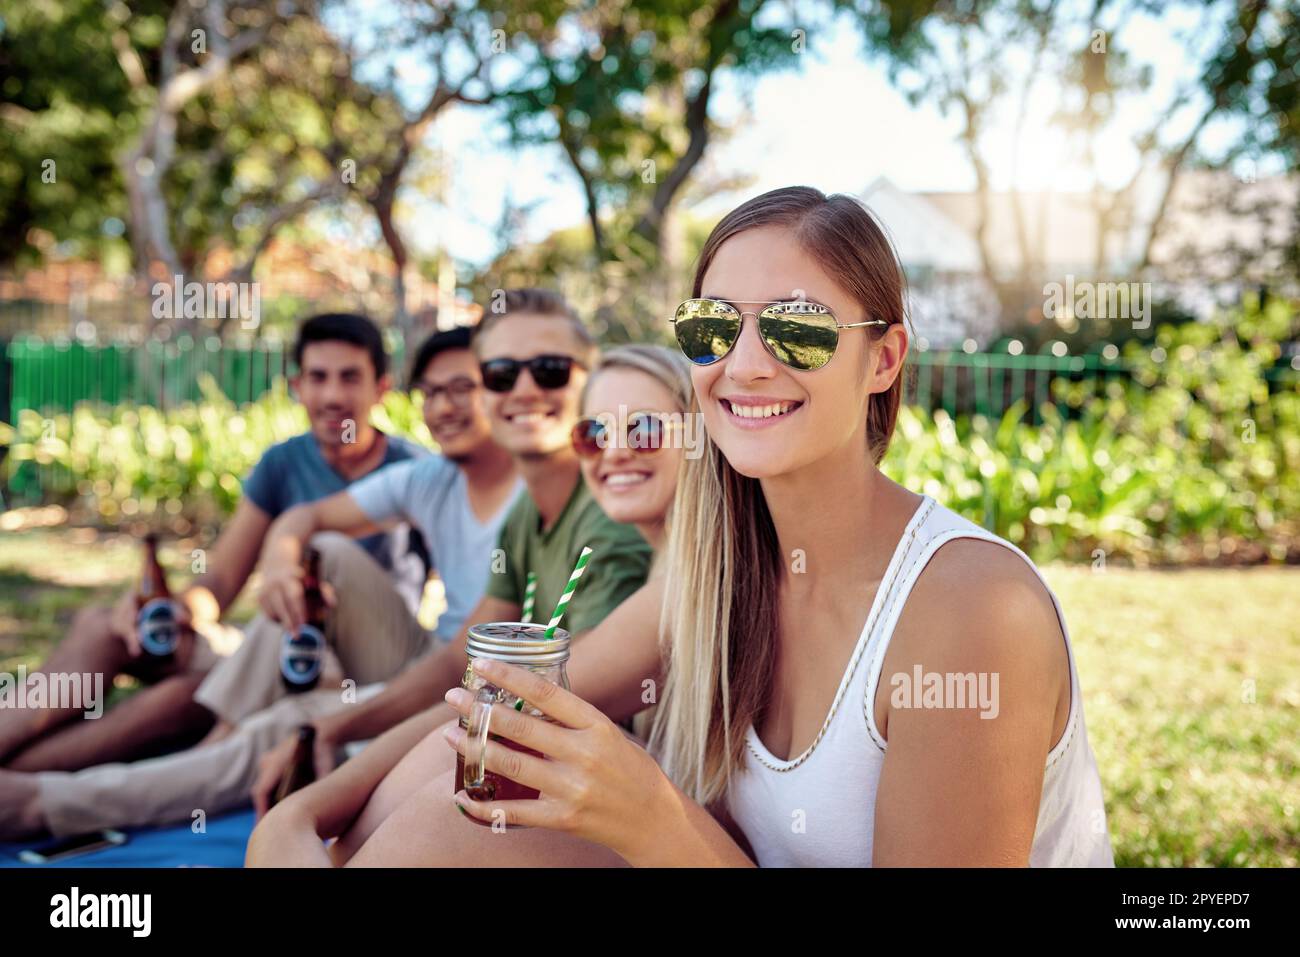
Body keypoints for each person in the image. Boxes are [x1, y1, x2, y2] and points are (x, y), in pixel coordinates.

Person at [256, 186, 1114, 867]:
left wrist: (653, 820)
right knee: (456, 826)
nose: (742, 364)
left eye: (798, 328)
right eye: (711, 330)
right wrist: (306, 815)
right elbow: (498, 711)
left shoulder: (968, 610)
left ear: (884, 358)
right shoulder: (715, 574)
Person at [0, 326, 516, 840]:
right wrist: (254, 581)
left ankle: (45, 795)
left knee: (235, 706)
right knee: (107, 627)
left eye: (348, 378)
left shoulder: (430, 469)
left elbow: (456, 661)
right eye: (433, 392)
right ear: (297, 386)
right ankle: (44, 772)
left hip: (360, 665)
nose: (333, 394)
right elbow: (226, 575)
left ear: (380, 388)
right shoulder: (303, 466)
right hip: (283, 642)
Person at [244, 344, 693, 863]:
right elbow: (469, 674)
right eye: (594, 433)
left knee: (456, 798)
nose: (615, 451)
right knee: (445, 767)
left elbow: (510, 708)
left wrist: (304, 811)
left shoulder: (681, 583)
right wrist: (308, 810)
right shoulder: (628, 547)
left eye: (646, 429)